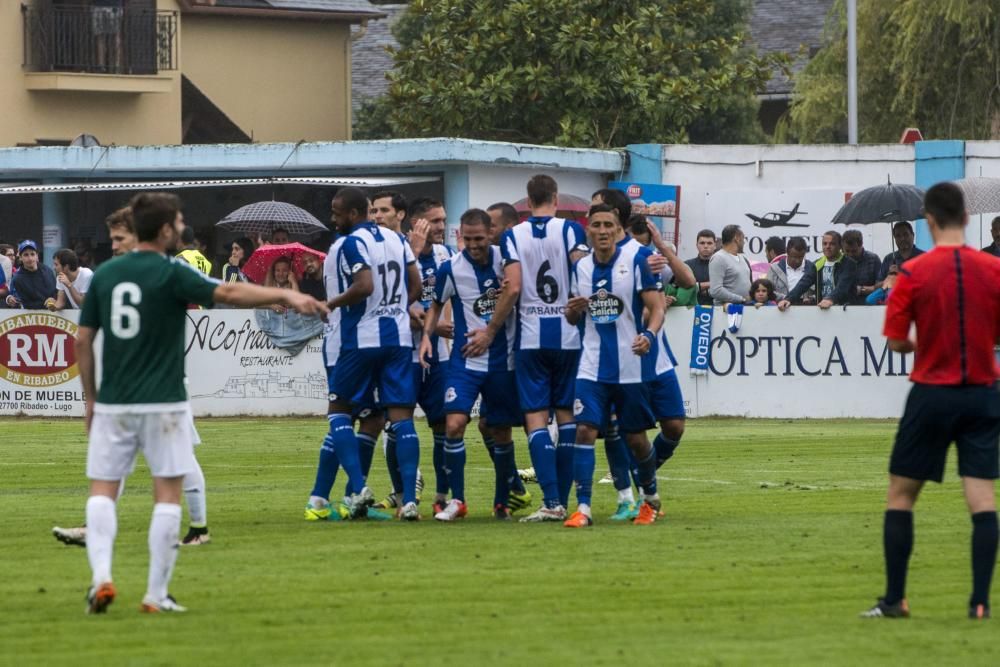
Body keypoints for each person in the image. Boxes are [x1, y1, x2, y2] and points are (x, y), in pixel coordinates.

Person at [76, 192, 326, 615]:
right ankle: (155, 594)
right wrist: (284, 296)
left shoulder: (105, 275)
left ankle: (101, 577)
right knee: (166, 494)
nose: (180, 226)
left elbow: (83, 340)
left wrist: (90, 399)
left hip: (115, 404)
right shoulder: (171, 273)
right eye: (177, 221)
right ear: (165, 230)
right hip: (164, 403)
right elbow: (227, 293)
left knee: (103, 488)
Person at [861, 181, 1000, 621]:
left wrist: (928, 338)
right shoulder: (993, 269)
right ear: (966, 218)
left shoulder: (914, 273)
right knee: (982, 498)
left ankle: (895, 600)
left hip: (932, 392)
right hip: (982, 392)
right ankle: (979, 602)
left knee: (901, 496)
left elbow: (898, 341)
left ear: (930, 221)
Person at [562, 203, 665, 528]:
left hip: (630, 365)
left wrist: (648, 333)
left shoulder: (635, 260)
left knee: (635, 440)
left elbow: (656, 306)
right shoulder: (581, 269)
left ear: (618, 228)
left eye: (608, 225)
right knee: (585, 430)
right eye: (596, 225)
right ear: (588, 230)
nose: (603, 231)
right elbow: (572, 316)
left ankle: (649, 497)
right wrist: (573, 310)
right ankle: (583, 508)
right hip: (591, 364)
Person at [326, 187, 423, 520]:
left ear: (353, 214)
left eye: (337, 213)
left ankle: (359, 487)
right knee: (400, 418)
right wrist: (397, 308)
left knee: (339, 409)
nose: (334, 219)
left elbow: (364, 285)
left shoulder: (353, 242)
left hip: (362, 339)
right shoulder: (397, 239)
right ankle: (409, 501)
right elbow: (416, 285)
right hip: (397, 338)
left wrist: (330, 303)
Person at [496, 174, 589, 522]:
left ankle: (552, 501)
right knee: (567, 419)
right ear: (555, 195)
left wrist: (492, 330)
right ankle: (562, 500)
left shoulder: (512, 235)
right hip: (568, 335)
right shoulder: (571, 230)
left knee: (535, 419)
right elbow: (582, 266)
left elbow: (515, 286)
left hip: (531, 337)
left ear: (528, 197)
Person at [418, 208, 521, 520]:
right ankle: (458, 500)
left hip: (503, 360)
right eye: (468, 239)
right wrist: (427, 336)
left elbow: (521, 293)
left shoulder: (508, 261)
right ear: (459, 236)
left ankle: (502, 501)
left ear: (490, 233)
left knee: (500, 433)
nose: (474, 245)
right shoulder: (451, 268)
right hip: (465, 361)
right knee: (454, 424)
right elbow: (435, 305)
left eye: (479, 238)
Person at [405, 197, 455, 514]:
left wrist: (440, 326)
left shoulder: (445, 255)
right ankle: (405, 494)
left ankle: (440, 497)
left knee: (443, 426)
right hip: (403, 354)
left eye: (442, 220)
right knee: (398, 424)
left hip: (440, 357)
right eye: (434, 221)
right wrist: (428, 324)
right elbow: (393, 298)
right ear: (417, 223)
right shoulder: (400, 252)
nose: (440, 227)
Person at [778, 230, 857, 311]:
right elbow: (803, 283)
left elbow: (842, 287)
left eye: (832, 244)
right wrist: (788, 299)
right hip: (823, 310)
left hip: (846, 311)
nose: (827, 246)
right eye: (825, 243)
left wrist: (830, 299)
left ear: (840, 246)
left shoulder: (849, 264)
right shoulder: (818, 263)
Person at [7, 240, 57, 310]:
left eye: (32, 254)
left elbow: (56, 291)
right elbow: (27, 304)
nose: (30, 258)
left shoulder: (47, 270)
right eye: (26, 255)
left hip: (53, 314)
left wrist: (54, 299)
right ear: (20, 257)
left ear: (37, 256)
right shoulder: (17, 279)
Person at [708, 225, 752, 305]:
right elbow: (715, 290)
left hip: (746, 309)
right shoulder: (718, 258)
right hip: (726, 312)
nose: (744, 242)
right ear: (736, 238)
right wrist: (741, 299)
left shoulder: (742, 258)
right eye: (743, 238)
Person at [767, 236, 813, 303]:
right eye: (794, 257)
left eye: (801, 257)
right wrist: (786, 298)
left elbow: (820, 292)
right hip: (781, 311)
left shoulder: (812, 268)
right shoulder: (774, 268)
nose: (797, 261)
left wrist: (811, 299)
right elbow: (767, 291)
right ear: (787, 252)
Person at [843, 229, 881, 304]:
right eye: (847, 251)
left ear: (861, 245)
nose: (850, 255)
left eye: (854, 251)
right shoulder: (842, 260)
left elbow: (880, 287)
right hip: (844, 307)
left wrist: (860, 290)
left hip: (868, 306)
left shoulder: (873, 259)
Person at [685, 229, 716, 305]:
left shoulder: (723, 266)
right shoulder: (687, 265)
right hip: (690, 311)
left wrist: (698, 287)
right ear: (697, 245)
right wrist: (711, 284)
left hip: (718, 310)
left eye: (709, 243)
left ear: (715, 246)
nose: (705, 246)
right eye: (702, 243)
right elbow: (683, 288)